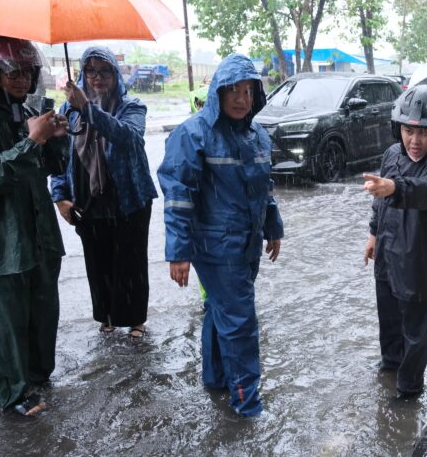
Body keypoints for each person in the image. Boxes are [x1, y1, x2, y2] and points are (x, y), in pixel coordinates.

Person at [157, 53, 280, 418]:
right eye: (233, 91)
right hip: (215, 247)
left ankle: (215, 380)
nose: (241, 99)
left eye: (248, 90)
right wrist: (178, 252)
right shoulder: (193, 133)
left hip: (247, 242)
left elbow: (265, 187)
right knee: (241, 321)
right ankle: (247, 404)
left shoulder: (257, 133)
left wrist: (272, 227)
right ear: (218, 93)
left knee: (219, 311)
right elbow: (178, 195)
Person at [51, 47, 157, 338]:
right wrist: (60, 197)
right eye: (91, 71)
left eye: (105, 70)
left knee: (131, 262)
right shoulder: (68, 110)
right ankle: (107, 316)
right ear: (82, 73)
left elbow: (130, 138)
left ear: (115, 74)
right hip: (88, 200)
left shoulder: (131, 106)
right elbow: (60, 157)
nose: (97, 78)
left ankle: (135, 319)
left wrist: (88, 109)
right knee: (98, 263)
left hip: (128, 198)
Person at [363, 85, 427, 399]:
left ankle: (409, 390)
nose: (415, 141)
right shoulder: (391, 155)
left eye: (424, 134)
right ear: (398, 128)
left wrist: (394, 188)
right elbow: (379, 200)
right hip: (388, 254)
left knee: (416, 334)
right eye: (408, 131)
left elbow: (424, 190)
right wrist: (373, 234)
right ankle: (390, 367)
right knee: (388, 321)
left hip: (421, 261)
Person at [0, 36, 69, 417]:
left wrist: (54, 140)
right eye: (12, 71)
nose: (21, 78)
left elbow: (53, 170)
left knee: (44, 308)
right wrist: (31, 141)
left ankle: (37, 374)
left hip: (40, 235)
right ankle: (13, 392)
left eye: (27, 71)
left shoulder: (27, 111)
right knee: (9, 318)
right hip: (6, 240)